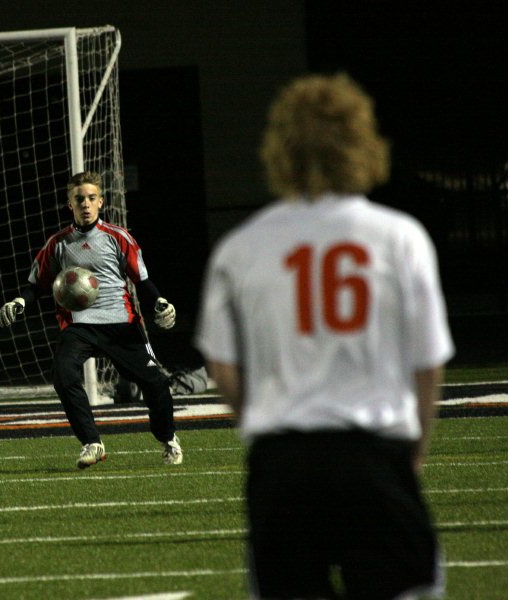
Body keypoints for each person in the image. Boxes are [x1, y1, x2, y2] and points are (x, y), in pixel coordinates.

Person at [194, 74, 452, 599]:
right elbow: (427, 364)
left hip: (283, 467)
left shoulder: (241, 247)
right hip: (375, 459)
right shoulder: (400, 237)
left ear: (279, 147)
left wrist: (264, 430)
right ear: (363, 140)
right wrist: (414, 452)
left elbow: (222, 369)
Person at [0, 171, 182, 469]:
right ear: (69, 204)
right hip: (79, 326)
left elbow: (142, 281)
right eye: (79, 199)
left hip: (121, 323)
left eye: (91, 198)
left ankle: (168, 438)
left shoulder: (119, 237)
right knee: (63, 374)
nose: (85, 204)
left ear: (101, 202)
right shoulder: (57, 244)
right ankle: (92, 443)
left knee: (156, 382)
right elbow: (34, 285)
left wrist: (160, 302)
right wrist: (19, 302)